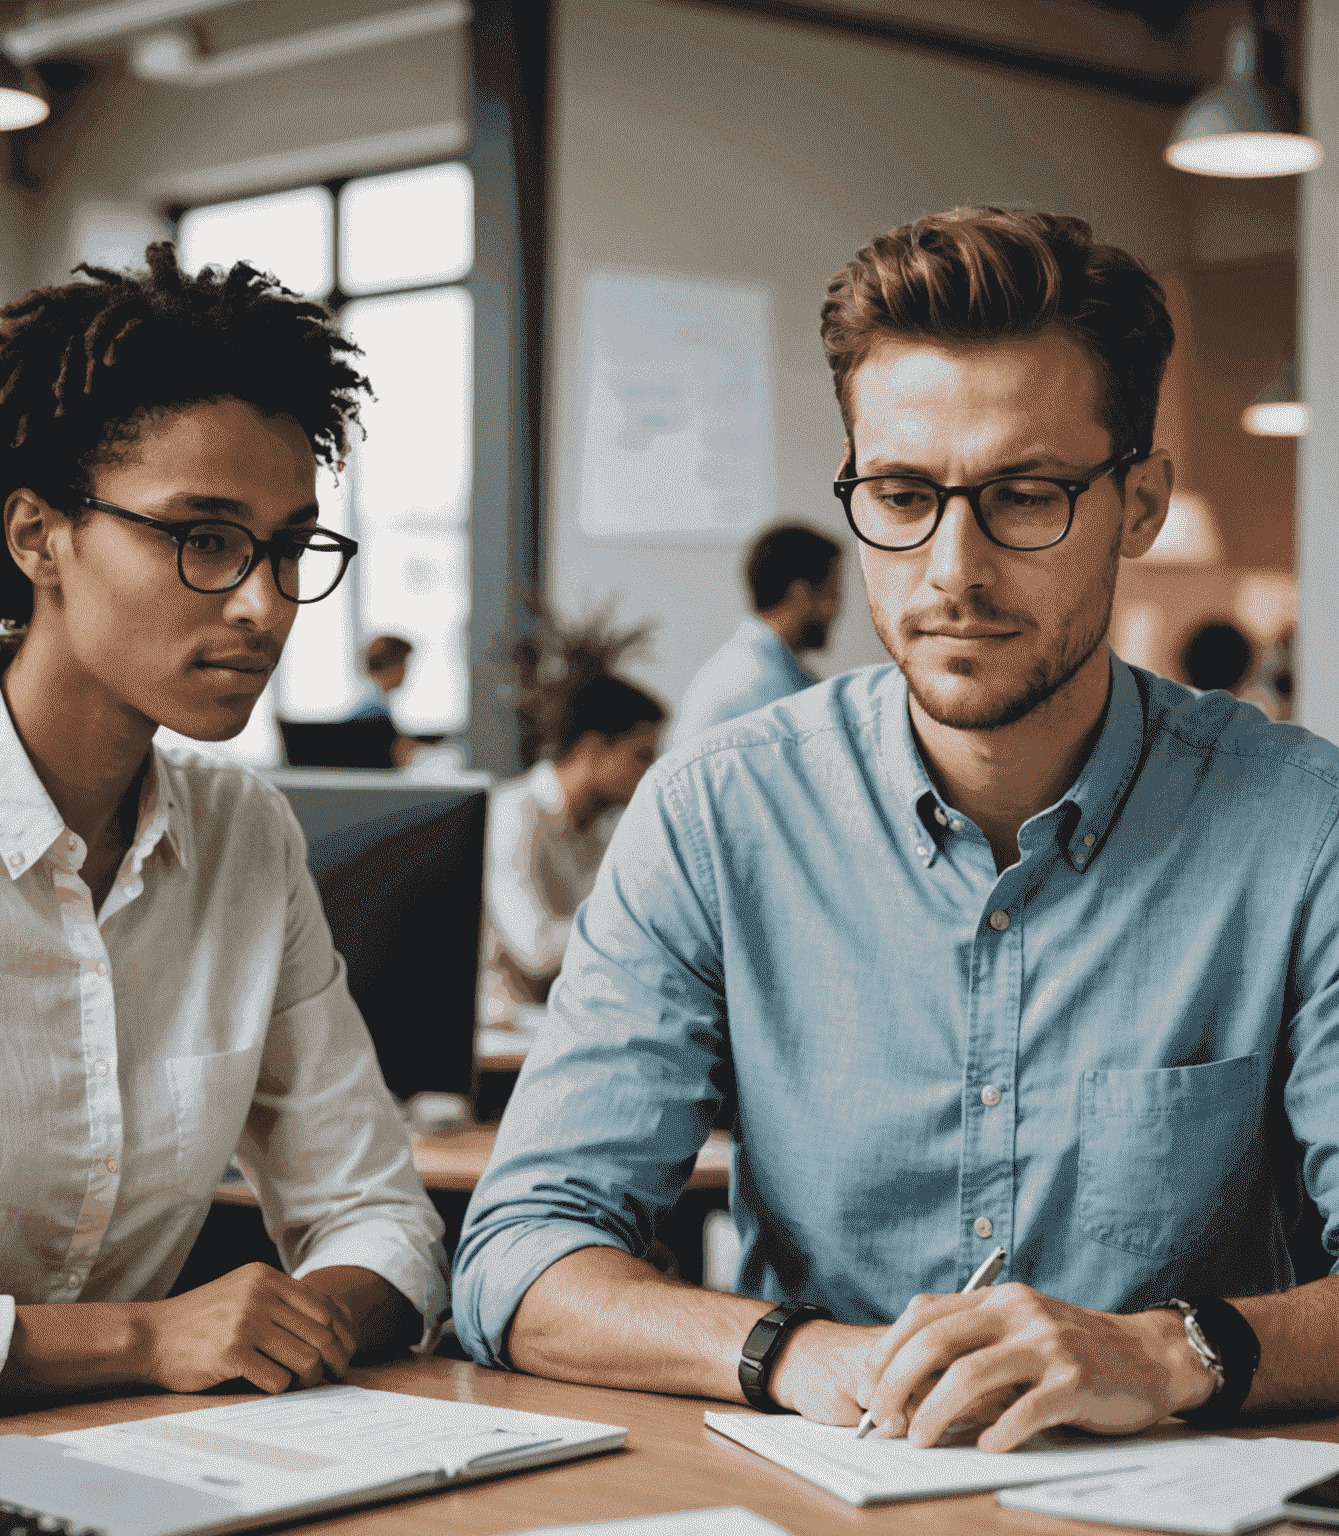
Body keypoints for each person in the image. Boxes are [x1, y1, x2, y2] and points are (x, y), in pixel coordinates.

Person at [453, 206, 1339, 1448]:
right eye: (903, 495)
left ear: (1140, 503)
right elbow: (521, 1254)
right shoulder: (718, 815)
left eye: (1026, 496)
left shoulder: (1305, 830)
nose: (951, 569)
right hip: (817, 1488)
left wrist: (1163, 1349)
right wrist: (797, 1355)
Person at [0, 244, 447, 1420]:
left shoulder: (247, 837)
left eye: (292, 545)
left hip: (134, 1469)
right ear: (38, 535)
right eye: (204, 537)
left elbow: (380, 1218)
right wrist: (141, 1338)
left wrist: (302, 1320)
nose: (265, 603)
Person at [480, 610, 666, 1025]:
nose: (651, 773)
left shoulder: (604, 830)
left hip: (568, 1020)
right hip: (506, 1030)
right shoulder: (515, 815)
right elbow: (536, 948)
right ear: (592, 750)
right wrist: (635, 920)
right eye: (641, 756)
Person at [671, 524, 842, 743]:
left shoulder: (755, 662)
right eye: (834, 594)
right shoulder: (765, 683)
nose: (836, 610)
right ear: (801, 594)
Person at [346, 634, 413, 722]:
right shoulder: (376, 712)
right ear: (391, 667)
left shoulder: (372, 702)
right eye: (402, 664)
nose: (404, 672)